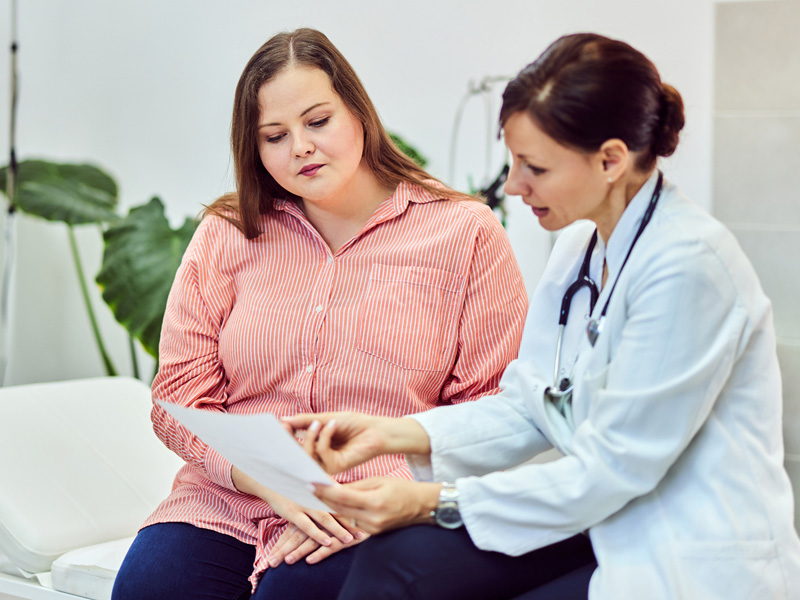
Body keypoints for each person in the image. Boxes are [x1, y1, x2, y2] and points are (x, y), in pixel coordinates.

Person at [286, 32, 800, 599]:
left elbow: (614, 468)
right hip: (601, 515)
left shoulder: (690, 266)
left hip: (680, 546)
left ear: (610, 160)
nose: (512, 185)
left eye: (534, 167)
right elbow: (531, 407)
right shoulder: (580, 248)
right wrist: (389, 434)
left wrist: (430, 501)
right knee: (399, 562)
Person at [110, 28, 529, 600]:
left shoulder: (464, 232)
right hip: (229, 497)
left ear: (358, 114)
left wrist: (390, 496)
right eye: (274, 135)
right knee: (151, 587)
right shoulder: (227, 233)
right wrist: (265, 479)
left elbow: (492, 406)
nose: (300, 147)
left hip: (370, 503)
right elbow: (179, 395)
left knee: (295, 593)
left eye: (318, 121)